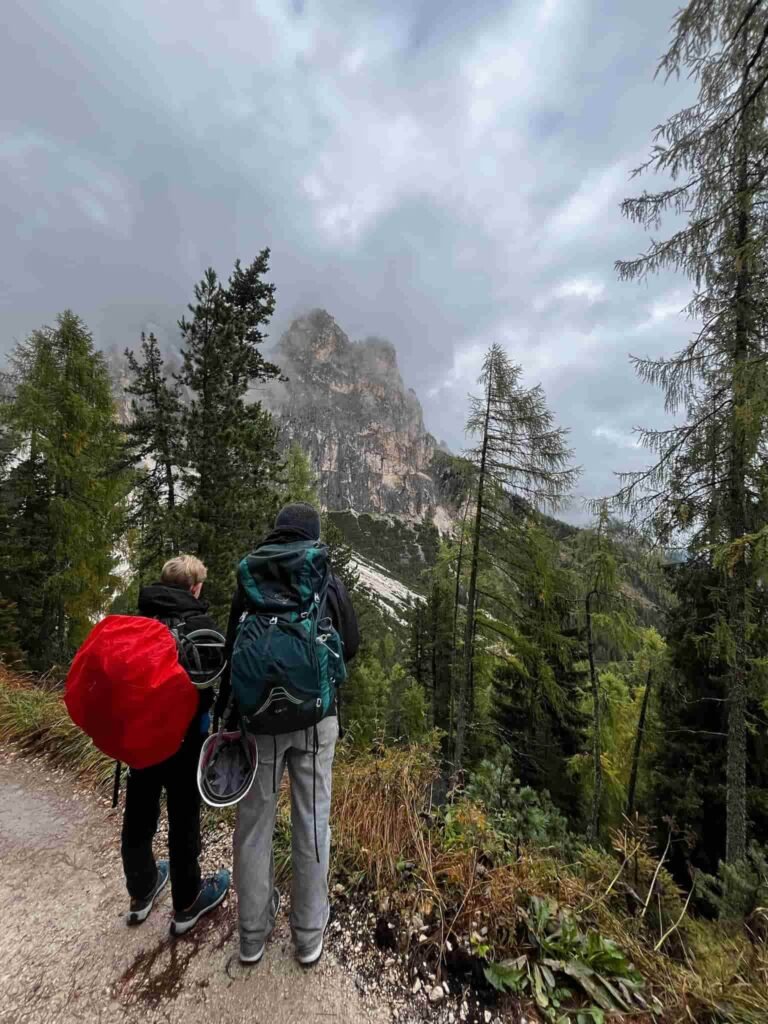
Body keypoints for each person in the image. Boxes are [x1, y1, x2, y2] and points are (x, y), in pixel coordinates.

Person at [216, 502, 359, 968]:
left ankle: (252, 936)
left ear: (277, 531)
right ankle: (309, 935)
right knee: (312, 819)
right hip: (315, 719)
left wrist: (228, 713)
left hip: (257, 719)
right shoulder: (323, 576)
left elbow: (234, 642)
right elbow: (351, 644)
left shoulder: (251, 575)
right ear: (312, 535)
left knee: (254, 822)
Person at [121, 554, 230, 935]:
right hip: (185, 739)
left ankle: (141, 890)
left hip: (139, 736)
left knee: (139, 812)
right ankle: (187, 902)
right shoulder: (200, 625)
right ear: (194, 587)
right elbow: (215, 678)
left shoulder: (137, 622)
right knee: (184, 816)